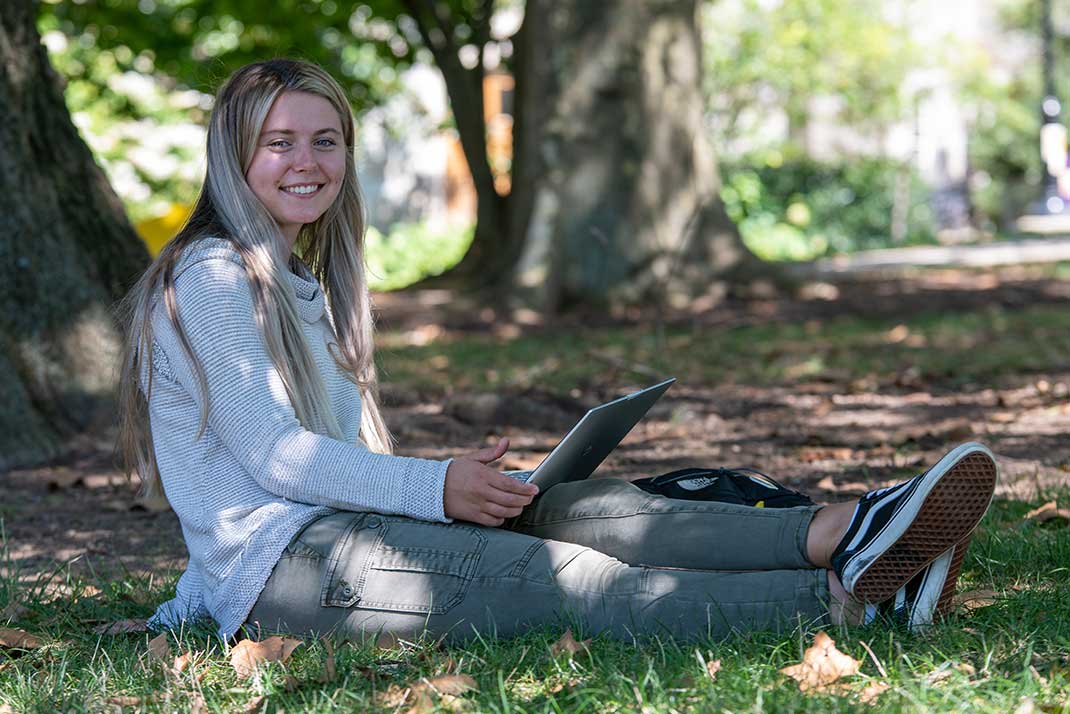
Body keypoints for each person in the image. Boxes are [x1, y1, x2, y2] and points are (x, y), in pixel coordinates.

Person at [117, 59, 999, 645]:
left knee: (593, 510)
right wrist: (434, 487)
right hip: (291, 574)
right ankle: (854, 608)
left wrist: (454, 494)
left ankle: (854, 532)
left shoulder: (298, 279)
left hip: (335, 539)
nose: (308, 161)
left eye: (325, 139)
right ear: (235, 157)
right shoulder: (209, 277)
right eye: (279, 142)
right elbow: (275, 460)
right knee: (573, 578)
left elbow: (288, 469)